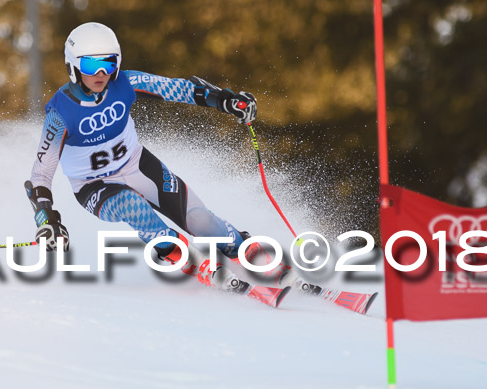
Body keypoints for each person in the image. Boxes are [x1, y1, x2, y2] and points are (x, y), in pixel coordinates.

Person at [25, 22, 306, 294]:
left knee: (201, 221)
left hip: (137, 164)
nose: (101, 73)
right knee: (131, 205)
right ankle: (181, 255)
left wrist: (224, 100)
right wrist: (47, 220)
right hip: (93, 186)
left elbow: (176, 88)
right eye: (90, 65)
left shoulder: (125, 82)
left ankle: (241, 246)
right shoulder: (60, 113)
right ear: (73, 66)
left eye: (109, 63)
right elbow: (40, 176)